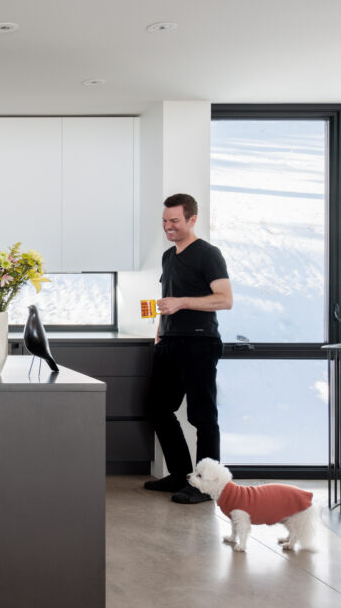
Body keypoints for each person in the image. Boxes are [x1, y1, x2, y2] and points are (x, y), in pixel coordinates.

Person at [143, 193, 233, 504]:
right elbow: (168, 299)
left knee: (202, 416)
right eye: (165, 221)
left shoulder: (208, 254)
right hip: (169, 342)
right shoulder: (169, 257)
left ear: (192, 220)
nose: (168, 226)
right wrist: (159, 332)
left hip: (199, 342)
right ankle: (183, 475)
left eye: (175, 221)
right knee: (157, 408)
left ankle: (207, 487)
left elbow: (225, 299)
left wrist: (182, 302)